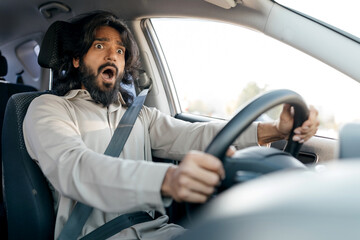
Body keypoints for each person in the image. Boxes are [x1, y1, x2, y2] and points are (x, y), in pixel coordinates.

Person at [23, 11, 319, 240]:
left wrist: (275, 130)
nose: (113, 54)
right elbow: (76, 168)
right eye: (100, 45)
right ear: (76, 60)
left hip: (161, 232)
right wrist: (167, 179)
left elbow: (194, 135)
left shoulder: (138, 115)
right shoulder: (49, 109)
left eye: (120, 50)